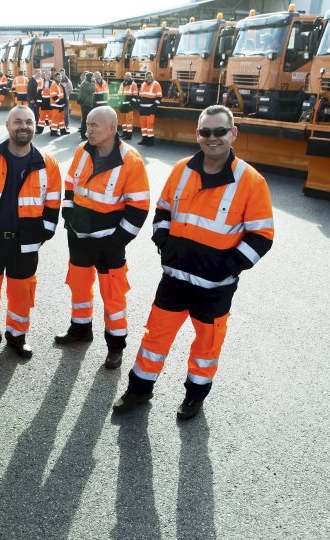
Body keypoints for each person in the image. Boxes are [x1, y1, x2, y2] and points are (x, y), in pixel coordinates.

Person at [112, 105, 274, 420]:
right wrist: (164, 244)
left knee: (206, 346)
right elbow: (162, 211)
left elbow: (262, 236)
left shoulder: (251, 181)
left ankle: (194, 397)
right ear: (198, 134)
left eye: (220, 131)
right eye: (205, 132)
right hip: (174, 279)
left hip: (214, 289)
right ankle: (139, 390)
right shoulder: (182, 169)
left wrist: (227, 268)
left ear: (233, 133)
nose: (212, 138)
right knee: (154, 339)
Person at [0, 106, 62, 364]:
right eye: (18, 121)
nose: (23, 126)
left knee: (21, 292)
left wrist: (43, 236)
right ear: (7, 124)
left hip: (25, 244)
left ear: (35, 126)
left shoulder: (48, 162)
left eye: (29, 121)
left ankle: (17, 336)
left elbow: (53, 204)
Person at [56, 106, 150, 368]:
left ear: (112, 128)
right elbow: (70, 183)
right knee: (79, 284)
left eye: (95, 125)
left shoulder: (131, 160)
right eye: (87, 125)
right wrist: (68, 214)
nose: (89, 130)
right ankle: (80, 328)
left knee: (113, 294)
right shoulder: (82, 151)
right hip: (78, 236)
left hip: (110, 241)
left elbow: (139, 207)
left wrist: (118, 240)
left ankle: (116, 345)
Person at [138, 71, 162, 146]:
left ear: (152, 77)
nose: (149, 78)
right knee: (143, 126)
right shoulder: (143, 84)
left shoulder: (156, 84)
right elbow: (140, 96)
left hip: (150, 109)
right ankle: (144, 140)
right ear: (146, 77)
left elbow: (159, 97)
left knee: (149, 126)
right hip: (142, 109)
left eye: (151, 77)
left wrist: (153, 107)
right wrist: (139, 106)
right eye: (148, 77)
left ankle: (150, 142)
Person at [119, 72, 139, 140]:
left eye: (129, 76)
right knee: (123, 120)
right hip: (123, 104)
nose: (127, 77)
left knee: (129, 120)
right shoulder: (122, 84)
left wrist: (131, 104)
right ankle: (124, 133)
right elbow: (119, 94)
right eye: (126, 76)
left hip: (129, 105)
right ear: (124, 76)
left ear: (131, 77)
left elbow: (135, 96)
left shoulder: (133, 84)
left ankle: (129, 135)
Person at [49, 71, 67, 137]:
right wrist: (60, 102)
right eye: (59, 77)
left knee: (61, 118)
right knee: (55, 119)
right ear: (55, 78)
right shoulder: (54, 84)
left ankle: (63, 131)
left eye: (61, 77)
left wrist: (62, 102)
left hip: (60, 104)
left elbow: (62, 94)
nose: (60, 78)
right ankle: (53, 132)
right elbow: (54, 95)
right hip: (56, 105)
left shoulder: (59, 84)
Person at [77, 72, 94, 141]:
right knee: (85, 120)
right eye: (92, 77)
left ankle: (83, 134)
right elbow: (92, 90)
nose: (93, 78)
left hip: (85, 103)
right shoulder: (86, 83)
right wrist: (93, 82)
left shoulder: (85, 83)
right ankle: (83, 135)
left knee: (85, 119)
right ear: (90, 77)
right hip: (86, 104)